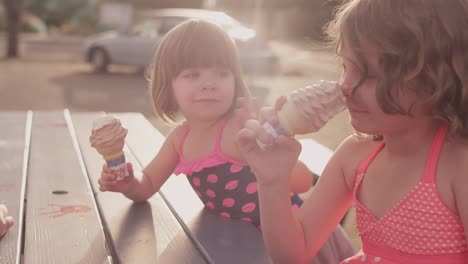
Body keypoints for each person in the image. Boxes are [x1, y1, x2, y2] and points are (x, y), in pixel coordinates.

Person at [97, 19, 355, 262]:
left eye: (221, 73)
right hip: (232, 244)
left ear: (236, 80)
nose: (209, 83)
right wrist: (128, 182)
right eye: (192, 75)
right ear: (168, 85)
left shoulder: (237, 129)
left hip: (291, 240)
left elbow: (302, 183)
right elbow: (147, 185)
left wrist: (272, 147)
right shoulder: (180, 138)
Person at [236, 0, 468, 263]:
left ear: (435, 79)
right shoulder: (355, 156)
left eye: (367, 73)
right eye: (346, 66)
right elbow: (292, 255)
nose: (344, 85)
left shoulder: (458, 164)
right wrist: (272, 182)